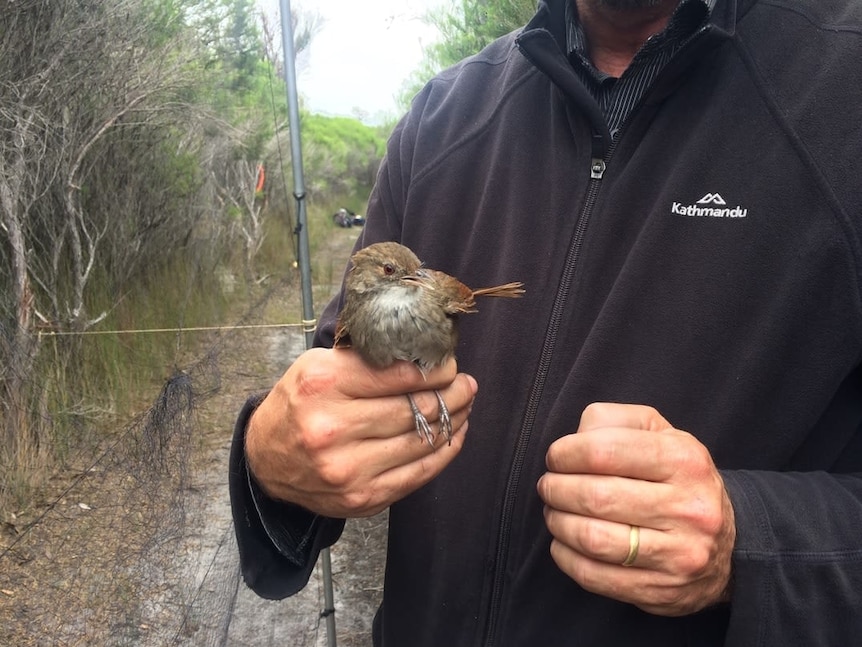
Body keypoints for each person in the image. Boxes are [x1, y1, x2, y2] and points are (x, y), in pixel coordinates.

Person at [229, 0, 862, 644]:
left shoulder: (843, 82)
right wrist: (271, 460)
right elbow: (327, 392)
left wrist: (750, 543)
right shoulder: (441, 115)